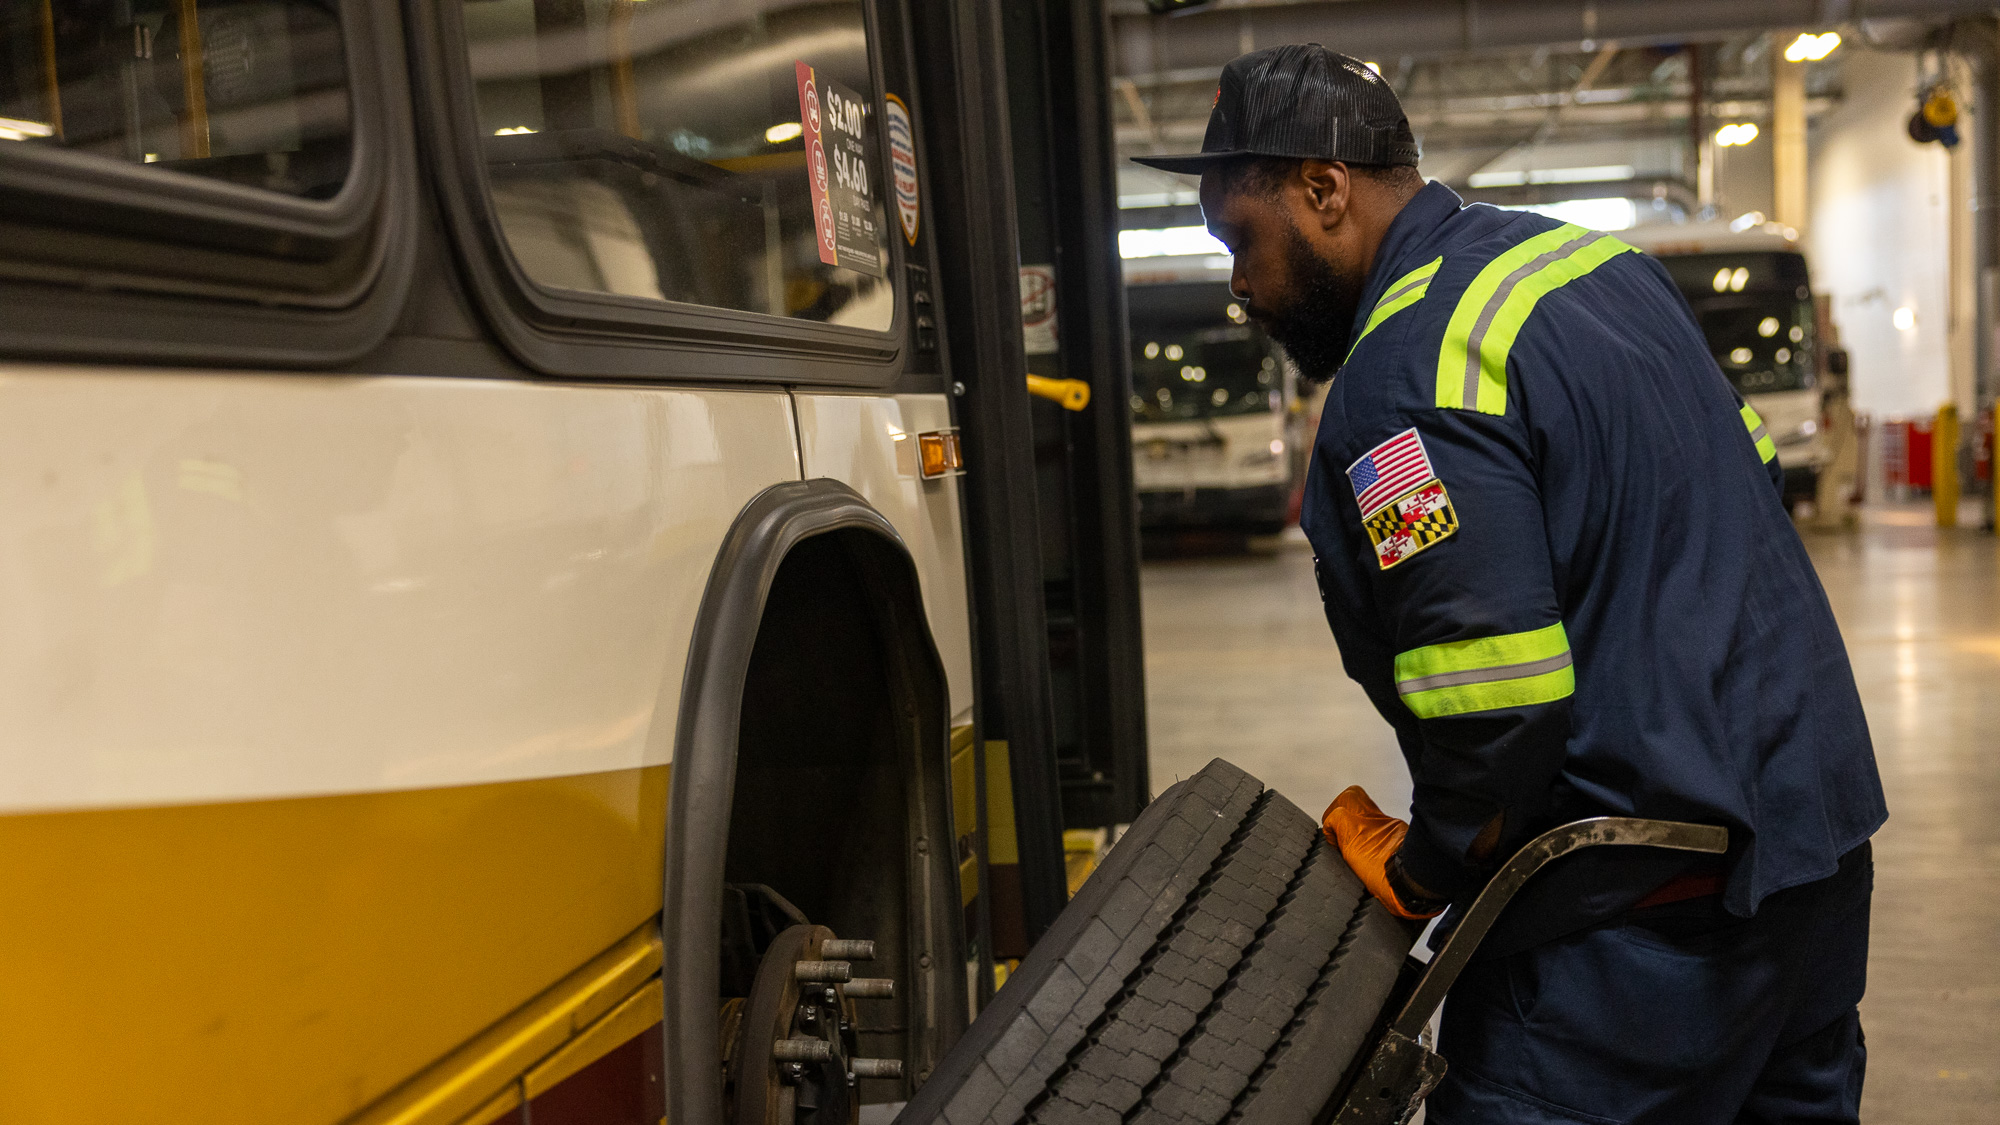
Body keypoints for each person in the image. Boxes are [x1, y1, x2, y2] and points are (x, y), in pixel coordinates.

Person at [1133, 44, 1885, 1125]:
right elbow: (1749, 466)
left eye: (1238, 239)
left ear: (1322, 189)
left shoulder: (1403, 375)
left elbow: (1494, 689)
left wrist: (1427, 865)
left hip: (1631, 929)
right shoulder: (1598, 271)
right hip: (1810, 859)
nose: (1238, 285)